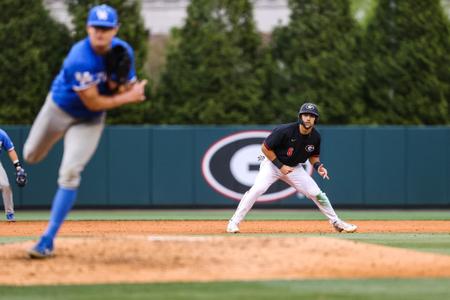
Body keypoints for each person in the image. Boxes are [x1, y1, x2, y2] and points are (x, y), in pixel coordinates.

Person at [24, 4, 147, 258]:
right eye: (96, 28)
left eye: (106, 28)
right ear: (88, 28)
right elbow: (93, 101)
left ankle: (47, 240)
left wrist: (124, 86)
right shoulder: (79, 57)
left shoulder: (124, 51)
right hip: (59, 110)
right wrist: (127, 96)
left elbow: (125, 88)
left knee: (70, 174)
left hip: (89, 121)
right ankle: (54, 140)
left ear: (115, 30)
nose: (100, 33)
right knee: (30, 156)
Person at [227, 103, 357, 233]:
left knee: (318, 194)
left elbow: (313, 156)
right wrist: (281, 166)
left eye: (312, 116)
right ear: (300, 116)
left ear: (315, 119)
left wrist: (318, 166)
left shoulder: (316, 137)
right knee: (257, 190)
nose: (308, 118)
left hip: (294, 168)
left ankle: (336, 222)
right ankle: (233, 223)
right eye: (305, 115)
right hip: (272, 164)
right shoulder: (284, 130)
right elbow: (265, 148)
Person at [0, 128, 27, 221]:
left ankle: (10, 214)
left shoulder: (1, 134)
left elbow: (10, 150)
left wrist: (18, 167)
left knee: (6, 186)